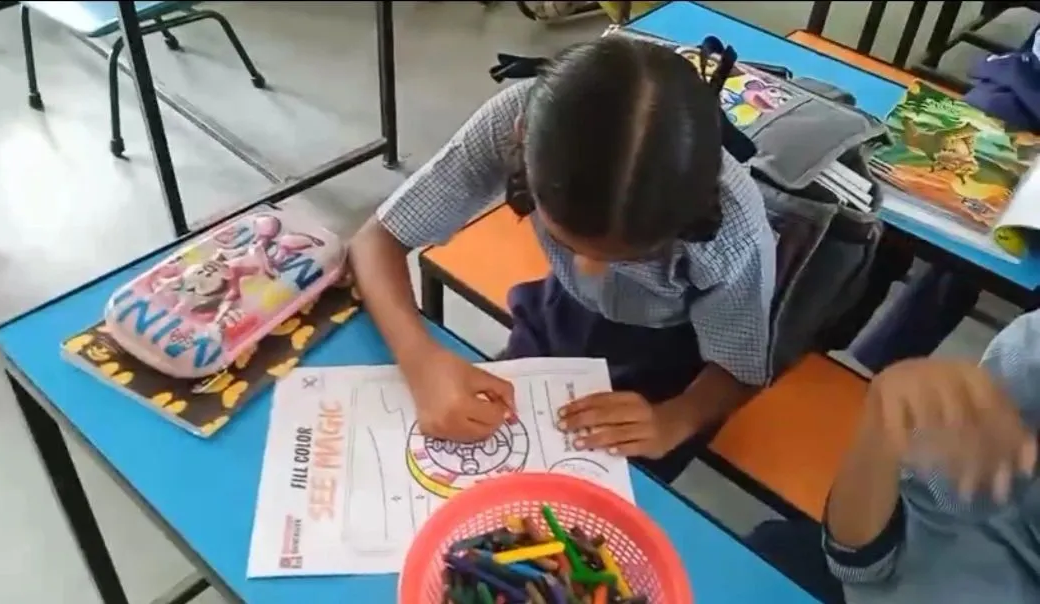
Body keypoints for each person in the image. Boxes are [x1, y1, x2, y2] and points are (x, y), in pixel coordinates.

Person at [348, 35, 776, 484]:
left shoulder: (734, 230)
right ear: (522, 143)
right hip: (559, 311)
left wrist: (676, 419)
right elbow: (376, 240)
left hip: (675, 352)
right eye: (568, 245)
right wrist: (420, 360)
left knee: (607, 484)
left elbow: (740, 367)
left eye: (630, 259)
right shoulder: (526, 119)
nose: (589, 270)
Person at [749, 308, 1040, 604]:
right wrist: (881, 432)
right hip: (903, 575)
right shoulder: (1028, 357)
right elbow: (859, 558)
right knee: (769, 554)